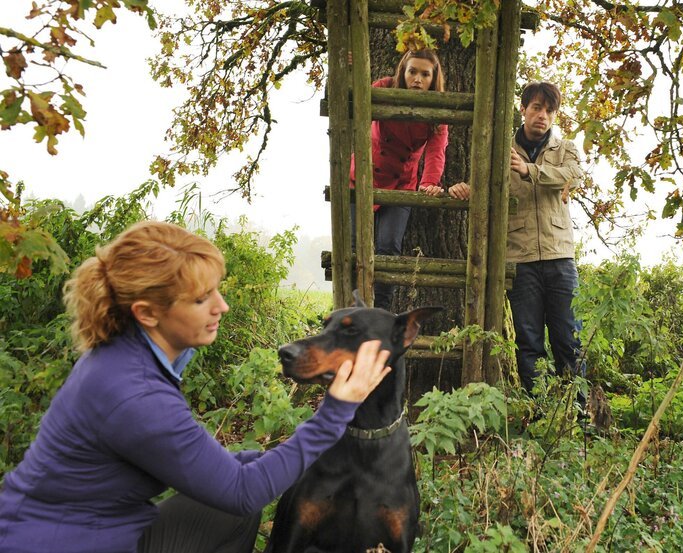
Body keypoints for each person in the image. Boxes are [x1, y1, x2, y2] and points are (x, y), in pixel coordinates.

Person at [0, 220, 392, 553]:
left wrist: (265, 462)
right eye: (202, 299)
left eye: (216, 290)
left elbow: (222, 475)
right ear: (148, 313)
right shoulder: (134, 394)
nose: (222, 306)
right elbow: (243, 492)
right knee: (238, 500)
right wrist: (335, 412)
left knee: (230, 503)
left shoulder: (125, 356)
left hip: (98, 531)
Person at [448, 81, 584, 393]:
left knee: (569, 338)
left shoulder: (566, 149)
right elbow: (482, 187)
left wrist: (529, 170)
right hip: (519, 259)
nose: (543, 115)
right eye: (536, 107)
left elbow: (572, 177)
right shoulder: (500, 149)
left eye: (549, 110)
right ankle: (537, 408)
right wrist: (465, 189)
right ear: (523, 109)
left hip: (560, 256)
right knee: (528, 340)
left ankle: (577, 411)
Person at [350, 49, 449, 310]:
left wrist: (429, 182)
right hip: (364, 177)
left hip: (402, 182)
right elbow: (356, 107)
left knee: (389, 248)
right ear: (403, 72)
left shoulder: (437, 108)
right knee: (353, 248)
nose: (417, 79)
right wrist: (350, 71)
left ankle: (381, 311)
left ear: (433, 78)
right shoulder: (384, 88)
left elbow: (436, 150)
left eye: (425, 74)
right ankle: (353, 309)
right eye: (412, 71)